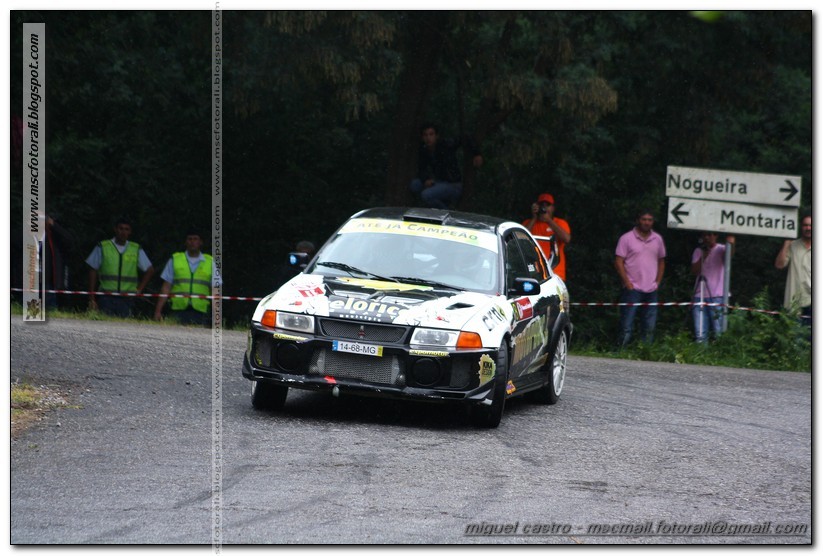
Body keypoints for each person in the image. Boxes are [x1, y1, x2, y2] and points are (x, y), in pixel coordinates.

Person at [614, 210, 666, 347]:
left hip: (651, 289)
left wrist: (657, 282)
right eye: (644, 219)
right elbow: (619, 261)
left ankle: (646, 352)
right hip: (632, 288)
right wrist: (627, 282)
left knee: (649, 326)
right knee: (626, 324)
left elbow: (661, 261)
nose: (647, 222)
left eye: (650, 220)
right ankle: (621, 351)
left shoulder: (657, 239)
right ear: (638, 220)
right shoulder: (626, 238)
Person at [86, 217, 155, 317]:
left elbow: (150, 270)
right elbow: (92, 269)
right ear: (115, 229)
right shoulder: (103, 246)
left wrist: (139, 289)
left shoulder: (135, 248)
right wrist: (91, 298)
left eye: (126, 229)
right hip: (106, 297)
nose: (123, 232)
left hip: (127, 298)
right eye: (121, 228)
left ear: (130, 232)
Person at [153, 229, 221, 326]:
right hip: (177, 309)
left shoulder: (210, 262)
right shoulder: (175, 259)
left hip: (200, 311)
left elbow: (215, 290)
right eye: (190, 239)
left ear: (200, 242)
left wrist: (217, 315)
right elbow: (166, 287)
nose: (192, 242)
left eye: (195, 239)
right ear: (185, 242)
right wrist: (158, 311)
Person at [409, 123, 483, 209]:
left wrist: (477, 153)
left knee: (426, 195)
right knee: (414, 185)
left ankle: (446, 212)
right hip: (439, 181)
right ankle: (438, 203)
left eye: (431, 134)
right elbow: (422, 168)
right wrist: (426, 179)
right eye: (425, 135)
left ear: (436, 136)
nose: (428, 138)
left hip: (453, 184)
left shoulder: (446, 145)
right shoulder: (424, 150)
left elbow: (465, 137)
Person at [691, 231, 735, 343]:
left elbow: (729, 255)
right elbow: (695, 271)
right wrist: (704, 254)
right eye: (705, 235)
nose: (708, 237)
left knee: (719, 331)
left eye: (711, 235)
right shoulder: (698, 251)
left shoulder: (721, 248)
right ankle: (700, 353)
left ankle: (719, 352)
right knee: (700, 333)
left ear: (716, 236)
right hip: (700, 296)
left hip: (718, 296)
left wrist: (732, 244)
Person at [522, 193, 572, 281]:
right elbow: (521, 240)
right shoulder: (528, 222)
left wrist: (549, 220)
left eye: (547, 205)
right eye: (541, 205)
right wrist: (534, 218)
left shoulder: (560, 223)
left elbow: (566, 239)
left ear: (553, 208)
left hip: (555, 272)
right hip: (533, 272)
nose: (544, 208)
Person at [775, 213, 811, 326]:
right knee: (795, 335)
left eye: (811, 225)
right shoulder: (793, 245)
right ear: (801, 227)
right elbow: (779, 265)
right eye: (805, 225)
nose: (808, 228)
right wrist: (786, 243)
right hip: (795, 302)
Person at [44, 213, 75, 309]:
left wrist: (53, 225)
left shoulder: (55, 238)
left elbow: (70, 241)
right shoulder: (31, 235)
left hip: (51, 283)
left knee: (51, 311)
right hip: (32, 282)